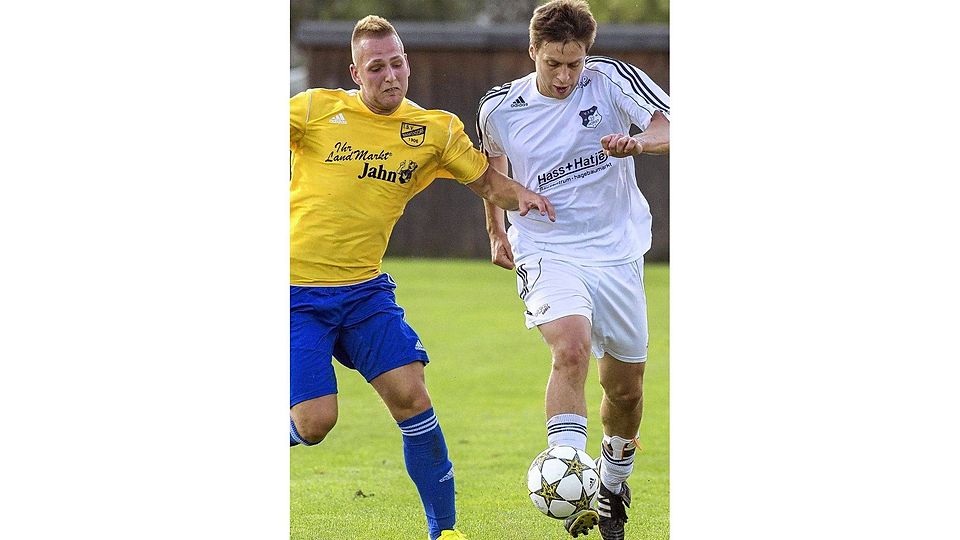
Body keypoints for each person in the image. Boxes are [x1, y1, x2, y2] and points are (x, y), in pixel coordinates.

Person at [289, 15, 555, 540]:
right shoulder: (316, 110)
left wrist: (519, 197)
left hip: (364, 291)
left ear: (407, 63)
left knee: (413, 397)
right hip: (294, 292)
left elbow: (486, 182)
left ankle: (445, 532)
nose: (390, 75)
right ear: (355, 72)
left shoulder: (435, 130)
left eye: (397, 62)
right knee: (315, 423)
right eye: (376, 67)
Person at [475, 1, 670, 538]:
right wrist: (496, 230)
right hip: (547, 248)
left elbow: (668, 124)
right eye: (553, 64)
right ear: (532, 51)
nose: (564, 77)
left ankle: (612, 480)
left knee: (625, 391)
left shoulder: (610, 81)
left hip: (616, 252)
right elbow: (492, 167)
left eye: (574, 64)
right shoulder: (499, 107)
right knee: (571, 347)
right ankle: (568, 471)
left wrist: (640, 142)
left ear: (587, 54)